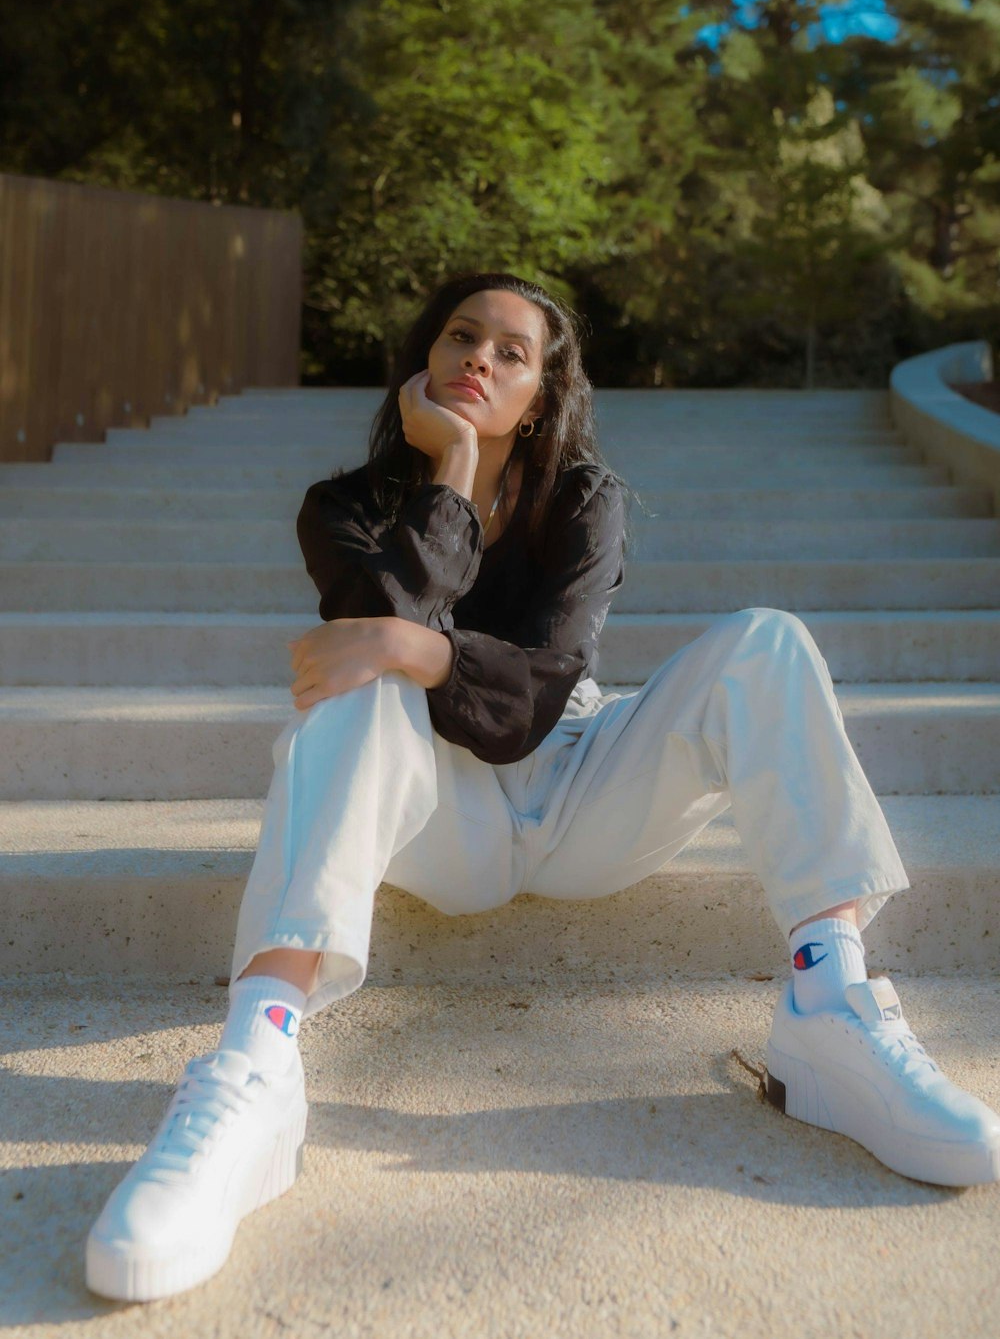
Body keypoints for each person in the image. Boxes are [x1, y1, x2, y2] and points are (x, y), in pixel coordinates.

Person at [85, 271, 1000, 1302]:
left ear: (543, 389)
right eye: (460, 337)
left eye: (510, 352)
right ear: (421, 364)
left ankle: (829, 1003)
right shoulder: (342, 506)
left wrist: (411, 645)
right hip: (444, 816)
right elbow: (370, 635)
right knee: (351, 696)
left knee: (767, 642)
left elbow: (532, 692)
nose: (478, 357)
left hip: (582, 786)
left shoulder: (583, 499)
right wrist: (456, 468)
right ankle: (255, 1069)